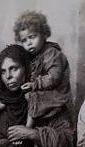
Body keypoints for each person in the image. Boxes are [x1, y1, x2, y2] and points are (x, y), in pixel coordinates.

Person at [11, 11, 74, 139]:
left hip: (56, 94)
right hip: (44, 93)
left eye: (32, 37)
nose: (28, 43)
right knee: (26, 97)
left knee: (31, 97)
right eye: (24, 40)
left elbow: (54, 78)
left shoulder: (52, 54)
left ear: (44, 34)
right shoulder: (34, 57)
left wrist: (35, 84)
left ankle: (29, 126)